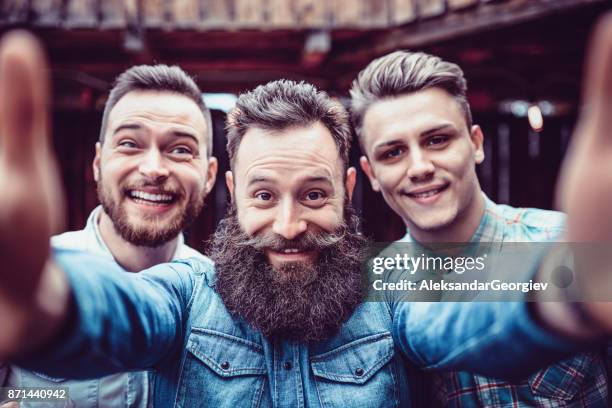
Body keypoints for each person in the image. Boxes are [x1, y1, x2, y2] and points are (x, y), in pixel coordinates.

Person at [0, 22, 612, 407]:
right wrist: (45, 301)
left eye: (314, 195)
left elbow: (465, 317)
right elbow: (121, 316)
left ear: (349, 188)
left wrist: (572, 287)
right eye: (264, 196)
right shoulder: (185, 293)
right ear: (232, 193)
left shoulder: (392, 287)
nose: (290, 225)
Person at [350, 50, 609, 406]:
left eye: (437, 140)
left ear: (476, 143)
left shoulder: (562, 243)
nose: (420, 167)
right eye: (393, 153)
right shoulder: (378, 293)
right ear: (371, 175)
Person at [0, 64, 218, 407]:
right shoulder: (25, 276)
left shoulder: (225, 302)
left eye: (180, 150)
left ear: (209, 174)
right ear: (99, 162)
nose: (154, 169)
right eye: (130, 144)